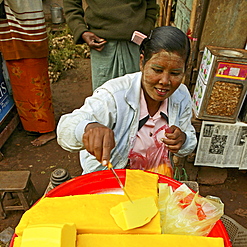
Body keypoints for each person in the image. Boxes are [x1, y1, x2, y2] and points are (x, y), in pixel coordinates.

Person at [57, 26, 197, 177]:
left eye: (175, 73)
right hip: (111, 182)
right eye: (157, 70)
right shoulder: (114, 95)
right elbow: (65, 129)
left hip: (154, 183)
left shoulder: (181, 96)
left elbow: (189, 140)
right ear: (142, 63)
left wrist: (183, 139)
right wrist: (87, 128)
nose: (165, 81)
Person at [63, 0, 157, 90]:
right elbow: (71, 3)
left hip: (135, 44)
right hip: (103, 46)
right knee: (103, 99)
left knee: (136, 96)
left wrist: (147, 25)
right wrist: (81, 30)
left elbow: (151, 4)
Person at [0, 0, 56, 147]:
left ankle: (46, 129)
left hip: (26, 29)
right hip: (15, 30)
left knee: (35, 85)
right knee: (21, 84)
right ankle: (34, 125)